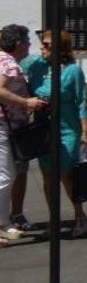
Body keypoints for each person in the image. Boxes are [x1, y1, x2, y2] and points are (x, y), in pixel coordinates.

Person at [24, 30, 87, 238]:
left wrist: (85, 131)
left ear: (60, 49)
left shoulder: (72, 71)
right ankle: (54, 220)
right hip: (44, 128)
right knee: (47, 174)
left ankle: (80, 216)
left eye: (46, 45)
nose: (42, 48)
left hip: (68, 128)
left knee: (66, 173)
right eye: (42, 44)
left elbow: (82, 101)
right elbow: (11, 65)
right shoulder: (36, 66)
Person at [0, 25, 48, 245]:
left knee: (8, 174)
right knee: (5, 176)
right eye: (28, 41)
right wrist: (26, 102)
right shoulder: (9, 64)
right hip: (3, 126)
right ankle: (2, 224)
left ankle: (5, 222)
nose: (30, 45)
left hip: (8, 126)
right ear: (19, 44)